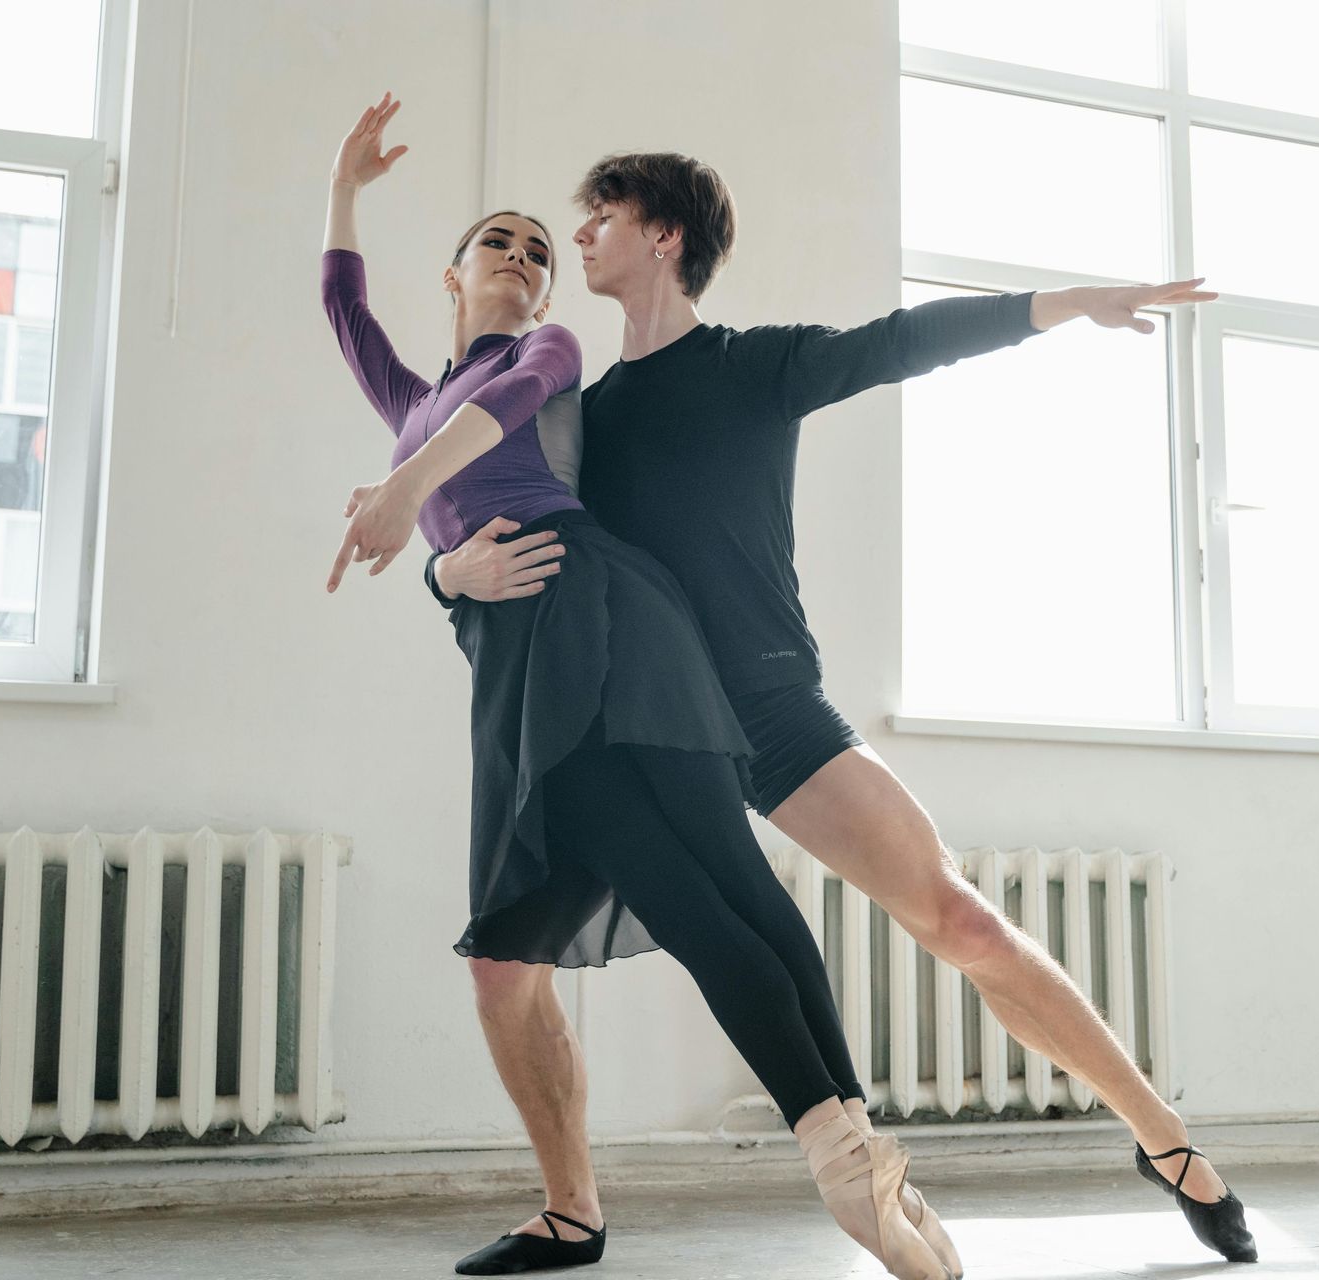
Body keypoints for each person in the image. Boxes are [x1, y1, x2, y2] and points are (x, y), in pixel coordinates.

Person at [427, 148, 1257, 1265]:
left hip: (767, 709)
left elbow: (904, 344)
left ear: (663, 235)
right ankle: (574, 1208)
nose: (577, 241)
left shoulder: (756, 367)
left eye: (600, 218)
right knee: (504, 964)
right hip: (644, 726)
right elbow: (481, 516)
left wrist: (1066, 305)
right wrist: (441, 575)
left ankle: (1163, 1136)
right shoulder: (578, 411)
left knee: (958, 918)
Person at [320, 93, 961, 1280]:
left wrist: (405, 494)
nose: (520, 255)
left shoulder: (544, 354)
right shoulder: (409, 398)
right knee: (695, 892)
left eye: (538, 249)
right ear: (450, 276)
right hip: (518, 665)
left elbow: (496, 422)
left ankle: (846, 1159)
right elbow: (343, 308)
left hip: (604, 619)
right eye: (495, 242)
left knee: (709, 883)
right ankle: (848, 1157)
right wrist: (346, 185)